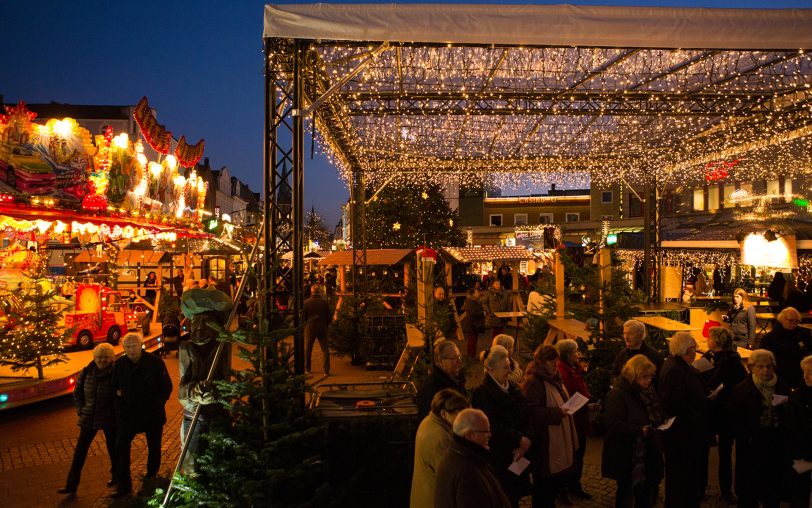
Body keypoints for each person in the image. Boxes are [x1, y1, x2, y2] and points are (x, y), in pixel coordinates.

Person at [178, 285, 232, 474]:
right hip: (193, 416)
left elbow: (227, 383)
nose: (199, 329)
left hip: (217, 415)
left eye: (206, 323)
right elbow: (181, 391)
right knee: (192, 466)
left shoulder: (222, 348)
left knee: (219, 464)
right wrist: (194, 392)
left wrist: (216, 393)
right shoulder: (186, 349)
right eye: (195, 323)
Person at [728, 349, 791, 508]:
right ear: (752, 368)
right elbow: (733, 419)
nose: (765, 370)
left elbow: (788, 414)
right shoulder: (741, 390)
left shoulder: (782, 386)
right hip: (751, 447)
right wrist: (748, 434)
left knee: (772, 491)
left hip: (775, 445)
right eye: (760, 366)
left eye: (769, 366)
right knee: (749, 491)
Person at [111, 333, 172, 497]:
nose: (131, 350)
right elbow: (113, 389)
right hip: (128, 415)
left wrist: (155, 406)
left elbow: (166, 387)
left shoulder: (155, 363)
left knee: (154, 448)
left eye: (134, 346)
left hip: (152, 415)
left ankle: (150, 480)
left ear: (141, 345)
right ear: (124, 348)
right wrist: (120, 408)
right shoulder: (120, 365)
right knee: (121, 447)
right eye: (127, 347)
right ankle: (124, 485)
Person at [472, 345, 532, 507]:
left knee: (515, 496)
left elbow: (526, 416)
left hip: (519, 454)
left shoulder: (513, 388)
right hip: (500, 457)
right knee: (503, 497)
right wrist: (518, 439)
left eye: (510, 366)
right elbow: (491, 426)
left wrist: (524, 443)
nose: (510, 371)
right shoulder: (482, 393)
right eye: (505, 368)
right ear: (491, 370)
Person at [601, 355, 665, 508]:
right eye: (644, 376)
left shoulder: (647, 390)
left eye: (650, 376)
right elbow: (612, 423)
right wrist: (638, 429)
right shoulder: (618, 394)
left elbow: (654, 411)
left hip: (647, 449)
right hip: (627, 452)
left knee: (645, 489)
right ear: (633, 375)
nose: (649, 380)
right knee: (626, 491)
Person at [520, 344, 579, 508]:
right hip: (543, 443)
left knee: (552, 486)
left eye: (556, 361)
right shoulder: (533, 381)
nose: (556, 365)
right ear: (542, 362)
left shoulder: (553, 376)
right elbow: (529, 411)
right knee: (543, 487)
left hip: (554, 439)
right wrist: (557, 413)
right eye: (552, 361)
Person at [658, 331, 710, 508]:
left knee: (686, 475)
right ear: (687, 349)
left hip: (687, 431)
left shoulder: (679, 366)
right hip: (682, 434)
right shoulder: (674, 369)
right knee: (680, 475)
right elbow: (674, 401)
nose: (696, 351)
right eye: (694, 347)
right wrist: (695, 414)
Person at [59, 343, 118, 494]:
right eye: (99, 357)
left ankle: (117, 478)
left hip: (109, 419)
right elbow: (77, 393)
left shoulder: (116, 374)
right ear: (94, 357)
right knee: (79, 452)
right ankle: (71, 485)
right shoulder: (86, 372)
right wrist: (81, 410)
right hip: (89, 417)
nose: (102, 360)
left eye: (105, 357)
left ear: (111, 358)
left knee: (114, 451)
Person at [702, 327, 747, 504]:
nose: (707, 341)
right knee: (716, 451)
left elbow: (717, 381)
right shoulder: (715, 356)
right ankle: (708, 487)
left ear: (717, 342)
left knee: (725, 453)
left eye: (709, 339)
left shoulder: (730, 360)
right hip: (717, 412)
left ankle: (726, 489)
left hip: (725, 413)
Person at [434, 408, 511, 508]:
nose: (490, 435)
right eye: (485, 431)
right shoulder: (466, 470)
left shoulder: (464, 456)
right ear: (469, 435)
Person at [410, 389, 469, 508]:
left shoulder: (430, 422)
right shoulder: (439, 438)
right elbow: (453, 477)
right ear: (444, 413)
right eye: (458, 414)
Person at [556, 339, 593, 501]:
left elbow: (581, 388)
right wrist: (586, 405)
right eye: (576, 352)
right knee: (571, 458)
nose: (578, 355)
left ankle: (574, 485)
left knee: (579, 456)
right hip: (573, 421)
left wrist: (589, 399)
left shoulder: (574, 368)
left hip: (580, 419)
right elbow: (569, 396)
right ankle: (563, 489)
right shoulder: (563, 371)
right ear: (569, 354)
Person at [761, 306, 812, 388]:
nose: (794, 324)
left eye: (797, 321)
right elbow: (764, 359)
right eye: (791, 321)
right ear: (782, 319)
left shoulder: (804, 333)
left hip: (801, 375)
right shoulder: (770, 338)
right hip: (779, 377)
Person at [786, 355, 812, 508]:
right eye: (804, 372)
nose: (806, 376)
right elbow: (791, 427)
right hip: (802, 454)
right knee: (799, 492)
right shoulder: (797, 397)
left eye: (810, 372)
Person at [416, 341, 466, 420]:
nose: (459, 361)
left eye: (459, 357)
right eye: (454, 358)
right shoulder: (432, 387)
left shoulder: (457, 380)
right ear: (440, 361)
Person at [612, 320, 664, 384]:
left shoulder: (654, 356)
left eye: (630, 333)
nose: (626, 337)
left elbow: (659, 381)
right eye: (624, 333)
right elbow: (615, 374)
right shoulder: (622, 354)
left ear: (640, 335)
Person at [303, 285, 332, 375]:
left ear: (311, 292)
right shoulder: (324, 302)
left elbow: (303, 317)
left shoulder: (306, 302)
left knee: (308, 348)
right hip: (322, 327)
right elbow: (329, 316)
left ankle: (307, 369)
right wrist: (325, 324)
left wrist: (306, 326)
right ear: (319, 291)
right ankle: (326, 370)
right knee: (325, 349)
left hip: (310, 327)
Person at [461, 286, 486, 358]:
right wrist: (482, 313)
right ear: (473, 294)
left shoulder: (474, 300)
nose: (479, 293)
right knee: (472, 341)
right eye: (477, 292)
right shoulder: (470, 301)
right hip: (472, 324)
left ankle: (472, 355)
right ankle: (470, 355)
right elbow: (472, 312)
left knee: (474, 341)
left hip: (474, 324)